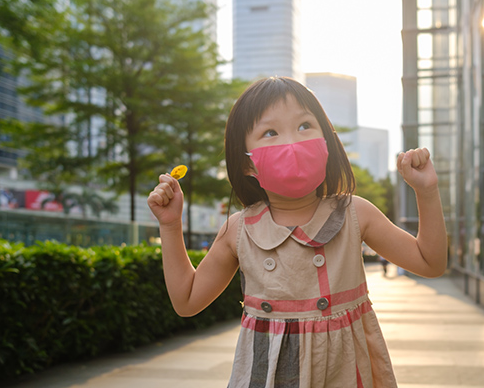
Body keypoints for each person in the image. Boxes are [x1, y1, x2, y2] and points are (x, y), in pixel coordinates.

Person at [147, 77, 447, 387]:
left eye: (304, 126)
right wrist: (170, 225)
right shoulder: (240, 230)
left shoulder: (355, 213)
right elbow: (187, 300)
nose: (291, 143)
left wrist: (426, 191)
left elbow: (430, 262)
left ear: (326, 144)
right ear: (247, 164)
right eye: (270, 132)